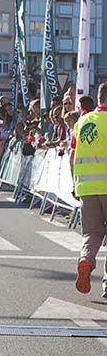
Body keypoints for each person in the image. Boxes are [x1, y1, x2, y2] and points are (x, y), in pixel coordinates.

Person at [71, 83, 107, 298]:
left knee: (92, 234)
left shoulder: (82, 121)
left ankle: (86, 259)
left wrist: (75, 184)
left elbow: (72, 156)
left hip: (86, 187)